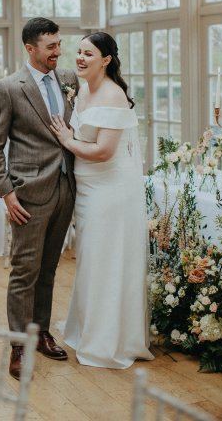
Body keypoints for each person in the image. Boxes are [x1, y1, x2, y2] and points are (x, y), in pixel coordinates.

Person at [0, 17, 79, 380]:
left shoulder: (68, 80)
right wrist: (6, 193)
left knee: (50, 269)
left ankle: (41, 334)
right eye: (50, 46)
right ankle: (19, 346)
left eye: (59, 44)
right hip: (28, 195)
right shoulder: (8, 88)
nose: (58, 52)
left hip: (67, 189)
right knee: (25, 271)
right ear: (30, 48)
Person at [50, 31, 153, 369]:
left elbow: (104, 151)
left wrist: (67, 139)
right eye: (78, 52)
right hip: (88, 190)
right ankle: (88, 329)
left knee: (107, 261)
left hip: (110, 191)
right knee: (92, 261)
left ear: (106, 60)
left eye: (89, 54)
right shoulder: (80, 90)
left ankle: (108, 340)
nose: (80, 58)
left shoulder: (112, 96)